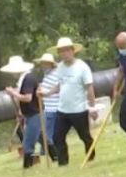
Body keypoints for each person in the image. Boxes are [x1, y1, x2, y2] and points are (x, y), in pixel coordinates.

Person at [39, 37, 97, 166]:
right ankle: (63, 163)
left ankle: (91, 156)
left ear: (72, 51)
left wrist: (92, 108)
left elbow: (89, 88)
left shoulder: (82, 67)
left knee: (84, 136)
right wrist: (47, 93)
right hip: (62, 110)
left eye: (66, 50)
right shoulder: (59, 67)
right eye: (61, 51)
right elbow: (60, 85)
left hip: (79, 109)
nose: (64, 53)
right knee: (57, 137)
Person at [1, 55, 42, 169]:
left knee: (28, 144)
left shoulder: (28, 79)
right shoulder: (24, 80)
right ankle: (38, 159)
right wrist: (20, 112)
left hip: (34, 113)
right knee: (37, 140)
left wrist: (13, 93)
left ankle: (28, 166)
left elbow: (27, 98)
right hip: (29, 114)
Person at [34, 52, 60, 159]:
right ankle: (50, 152)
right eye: (42, 64)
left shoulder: (56, 74)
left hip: (53, 107)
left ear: (51, 64)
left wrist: (45, 93)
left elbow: (58, 88)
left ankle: (53, 154)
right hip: (48, 106)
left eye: (46, 63)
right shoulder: (46, 74)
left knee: (47, 133)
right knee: (46, 132)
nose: (43, 66)